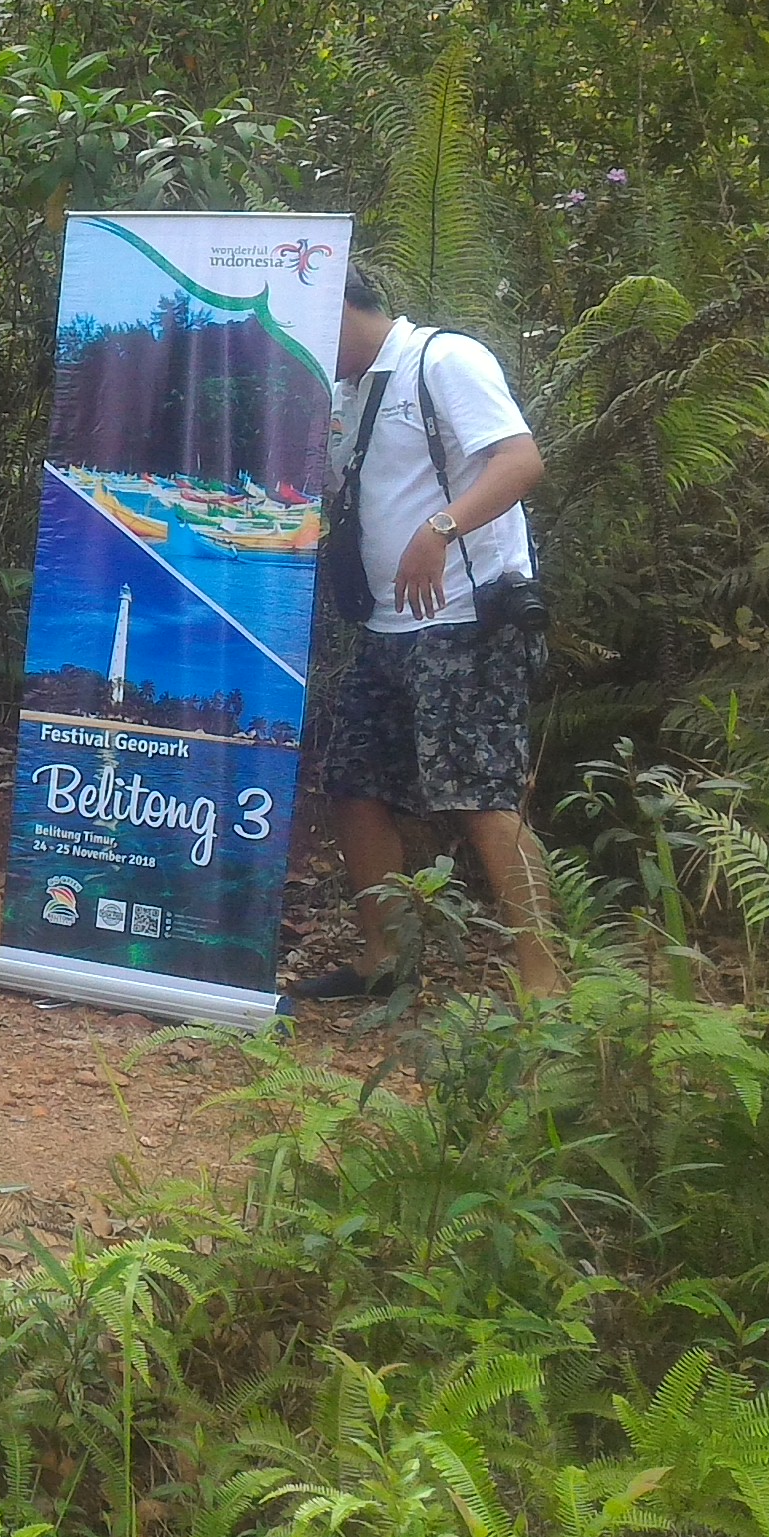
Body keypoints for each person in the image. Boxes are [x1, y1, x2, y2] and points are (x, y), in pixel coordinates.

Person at [293, 267, 563, 1000]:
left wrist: (440, 529)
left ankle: (545, 982)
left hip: (468, 621)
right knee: (354, 785)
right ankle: (385, 964)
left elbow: (520, 460)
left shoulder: (442, 359)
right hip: (387, 626)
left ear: (348, 307)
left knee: (482, 799)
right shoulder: (348, 394)